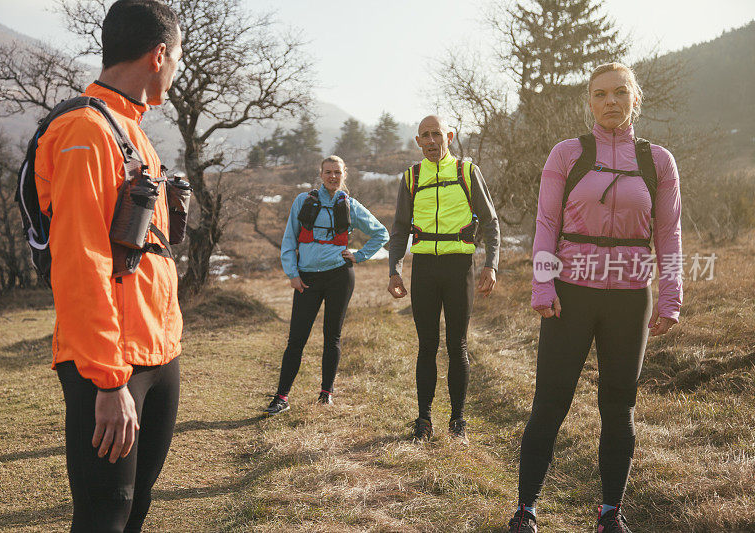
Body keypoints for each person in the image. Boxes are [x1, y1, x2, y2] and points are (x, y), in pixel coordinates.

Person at [507, 62, 683, 533]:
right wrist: (542, 284)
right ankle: (525, 509)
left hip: (629, 298)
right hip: (570, 293)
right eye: (600, 94)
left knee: (619, 405)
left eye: (619, 93)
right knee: (550, 402)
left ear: (634, 99)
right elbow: (546, 225)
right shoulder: (567, 154)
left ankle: (609, 514)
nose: (610, 101)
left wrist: (671, 297)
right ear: (589, 101)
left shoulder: (658, 161)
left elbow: (669, 234)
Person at [33, 2, 183, 531]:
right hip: (112, 365)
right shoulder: (84, 131)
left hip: (158, 354)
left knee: (135, 510)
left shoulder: (131, 129)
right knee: (105, 519)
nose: (176, 69)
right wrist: (108, 380)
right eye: (176, 57)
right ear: (158, 53)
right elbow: (79, 261)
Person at [387, 115, 500, 443]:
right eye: (426, 135)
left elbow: (491, 223)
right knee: (426, 346)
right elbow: (399, 228)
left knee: (457, 344)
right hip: (424, 268)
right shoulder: (412, 177)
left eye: (437, 134)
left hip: (459, 268)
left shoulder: (467, 172)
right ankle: (423, 421)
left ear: (449, 136)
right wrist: (394, 268)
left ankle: (457, 422)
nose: (432, 140)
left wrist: (490, 265)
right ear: (418, 141)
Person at [264, 156, 389, 415]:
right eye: (328, 172)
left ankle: (326, 394)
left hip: (339, 277)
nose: (333, 177)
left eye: (337, 173)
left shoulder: (350, 205)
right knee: (296, 339)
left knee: (332, 336)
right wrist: (293, 273)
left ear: (344, 175)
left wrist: (359, 255)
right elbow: (289, 240)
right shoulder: (302, 201)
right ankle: (281, 397)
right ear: (320, 174)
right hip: (306, 279)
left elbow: (381, 233)